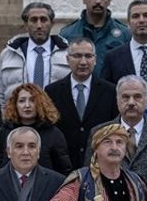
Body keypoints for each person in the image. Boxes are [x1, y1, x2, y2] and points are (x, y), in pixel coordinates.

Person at [88, 76, 147, 190]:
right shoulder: (99, 133)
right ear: (117, 100)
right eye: (125, 97)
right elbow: (89, 174)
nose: (131, 102)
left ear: (146, 100)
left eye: (137, 97)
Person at [46, 38, 119, 170]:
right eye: (77, 56)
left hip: (99, 166)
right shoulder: (52, 91)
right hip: (62, 167)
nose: (83, 62)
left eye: (88, 56)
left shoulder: (110, 91)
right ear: (67, 59)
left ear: (95, 59)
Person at [0, 3, 70, 106]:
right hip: (18, 119)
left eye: (43, 20)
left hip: (57, 117)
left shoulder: (67, 54)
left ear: (52, 23)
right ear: (25, 24)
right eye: (34, 20)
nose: (39, 25)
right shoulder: (8, 54)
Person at [0, 83, 72, 175]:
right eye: (22, 101)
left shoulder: (54, 134)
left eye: (32, 100)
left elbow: (64, 170)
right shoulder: (1, 134)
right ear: (15, 104)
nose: (27, 105)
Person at [58, 0, 131, 79]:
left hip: (111, 92)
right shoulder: (67, 34)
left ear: (109, 0)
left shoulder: (125, 34)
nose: (98, 1)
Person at [102, 0, 147, 91]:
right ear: (128, 23)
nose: (141, 20)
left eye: (146, 15)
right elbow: (106, 91)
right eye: (136, 16)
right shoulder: (112, 57)